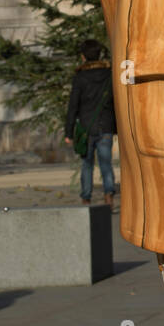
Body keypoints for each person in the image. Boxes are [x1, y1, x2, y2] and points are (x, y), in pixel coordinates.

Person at [64, 38, 117, 207]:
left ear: (83, 57)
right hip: (106, 126)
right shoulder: (109, 74)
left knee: (87, 165)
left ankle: (86, 198)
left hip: (86, 127)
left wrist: (69, 132)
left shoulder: (80, 77)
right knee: (106, 164)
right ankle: (109, 196)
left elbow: (73, 105)